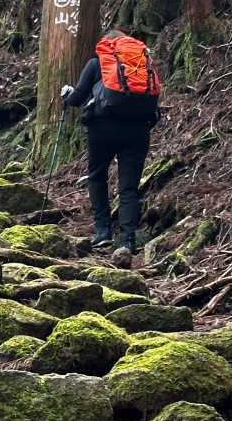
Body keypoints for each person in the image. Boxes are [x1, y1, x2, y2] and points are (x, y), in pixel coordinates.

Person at [61, 29, 160, 254]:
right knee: (129, 186)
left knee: (97, 176)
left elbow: (77, 98)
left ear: (106, 44)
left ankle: (103, 231)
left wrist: (66, 96)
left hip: (102, 128)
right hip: (138, 129)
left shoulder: (98, 62)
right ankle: (127, 240)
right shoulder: (141, 63)